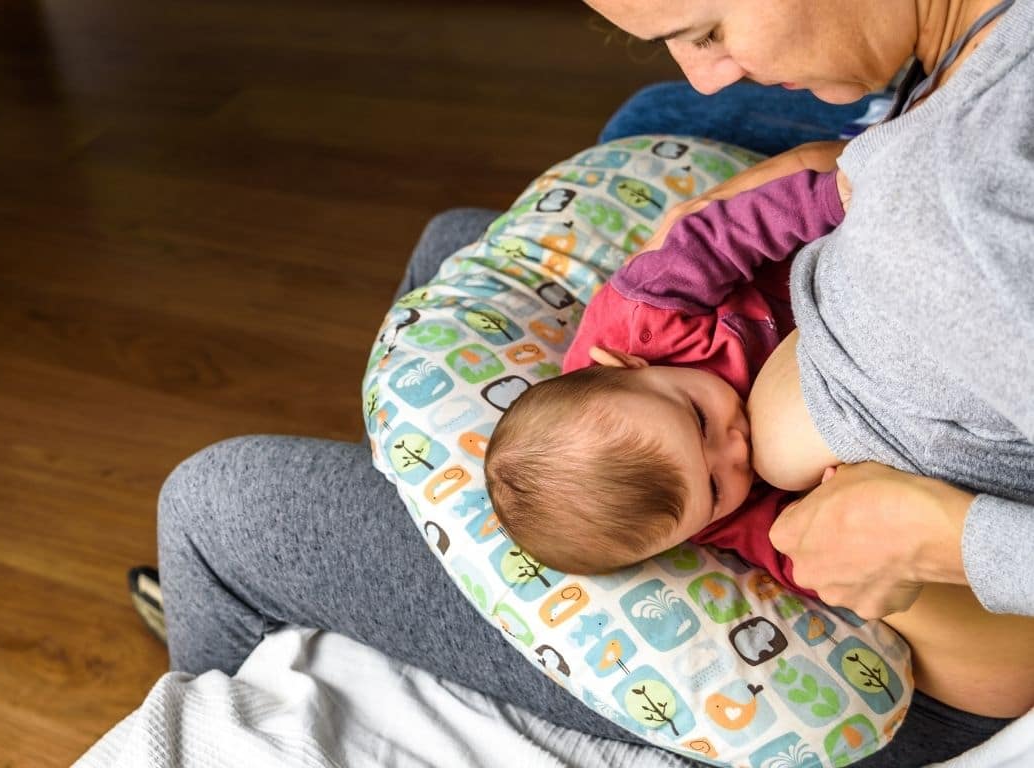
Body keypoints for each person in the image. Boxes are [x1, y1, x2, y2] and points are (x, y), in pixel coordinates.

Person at [147, 0, 1034, 763]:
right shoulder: (969, 70)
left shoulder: (974, 195)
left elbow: (779, 537)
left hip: (933, 664)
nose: (713, 75)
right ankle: (393, 597)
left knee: (214, 506)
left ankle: (319, 666)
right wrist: (838, 160)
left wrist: (951, 541)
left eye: (710, 26)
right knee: (479, 224)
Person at [485, 169, 844, 591]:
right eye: (714, 487)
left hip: (832, 257)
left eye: (701, 420)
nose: (736, 448)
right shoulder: (694, 514)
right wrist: (828, 534)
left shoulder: (644, 313)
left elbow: (727, 234)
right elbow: (783, 550)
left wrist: (829, 198)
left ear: (630, 366)